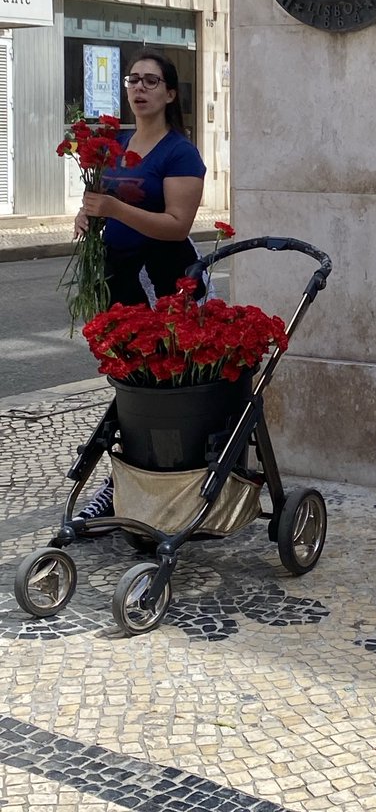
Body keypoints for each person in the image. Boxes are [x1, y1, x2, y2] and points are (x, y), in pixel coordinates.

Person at [73, 50, 206, 523]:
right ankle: (124, 482)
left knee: (163, 388)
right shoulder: (117, 144)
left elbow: (176, 224)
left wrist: (113, 209)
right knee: (129, 384)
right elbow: (102, 202)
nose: (140, 88)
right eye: (133, 80)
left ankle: (167, 479)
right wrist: (87, 214)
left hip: (167, 281)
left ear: (170, 93)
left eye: (151, 81)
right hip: (121, 277)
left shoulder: (180, 152)